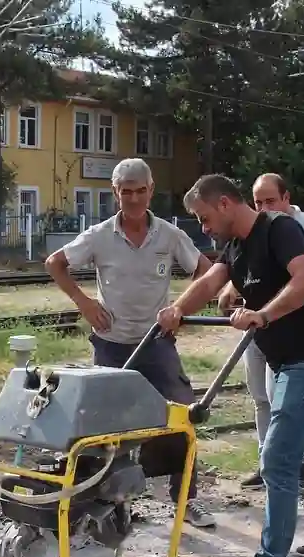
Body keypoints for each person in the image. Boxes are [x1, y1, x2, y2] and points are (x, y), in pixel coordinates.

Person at [158, 174, 304, 557]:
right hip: (289, 361)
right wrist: (177, 309)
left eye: (205, 217)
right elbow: (211, 282)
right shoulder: (236, 245)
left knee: (277, 459)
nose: (204, 227)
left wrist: (263, 315)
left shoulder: (281, 229)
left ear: (227, 204)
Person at [44, 157, 217, 528]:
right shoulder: (99, 235)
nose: (134, 199)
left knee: (181, 416)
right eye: (126, 192)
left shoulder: (169, 236)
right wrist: (85, 303)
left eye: (141, 191)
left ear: (151, 191)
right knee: (103, 428)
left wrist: (180, 308)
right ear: (115, 192)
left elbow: (206, 271)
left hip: (156, 343)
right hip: (111, 345)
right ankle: (109, 505)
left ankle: (185, 500)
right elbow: (55, 263)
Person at [217, 173, 304, 491]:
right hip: (258, 327)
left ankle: (292, 467)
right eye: (258, 202)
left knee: (285, 401)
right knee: (260, 395)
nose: (263, 207)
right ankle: (268, 462)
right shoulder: (255, 232)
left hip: (292, 334)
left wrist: (298, 305)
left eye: (270, 201)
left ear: (287, 198)